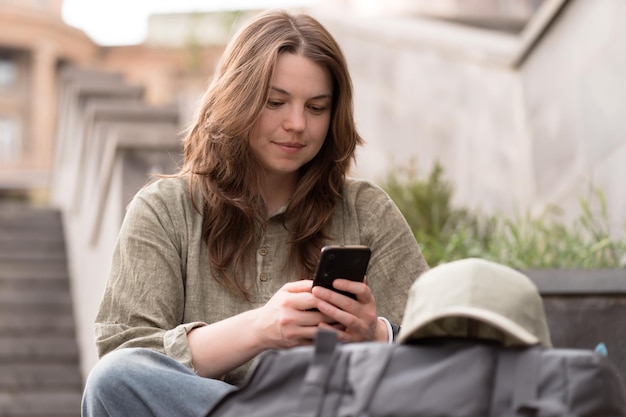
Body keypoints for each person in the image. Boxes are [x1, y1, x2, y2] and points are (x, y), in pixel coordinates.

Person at [81, 9, 428, 417]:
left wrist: (375, 334)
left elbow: (441, 354)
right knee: (115, 378)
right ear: (236, 99)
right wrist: (261, 328)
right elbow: (125, 359)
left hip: (335, 407)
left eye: (317, 108)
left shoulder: (366, 210)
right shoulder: (164, 210)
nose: (297, 123)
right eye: (275, 102)